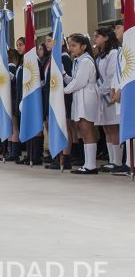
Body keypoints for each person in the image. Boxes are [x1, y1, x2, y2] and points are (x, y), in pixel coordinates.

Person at [62, 33, 99, 174]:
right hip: (80, 98)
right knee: (83, 132)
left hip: (86, 98)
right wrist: (64, 75)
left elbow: (79, 82)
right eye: (69, 45)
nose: (71, 48)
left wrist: (63, 92)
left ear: (83, 46)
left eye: (73, 45)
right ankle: (87, 163)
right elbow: (74, 80)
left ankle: (91, 165)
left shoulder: (86, 61)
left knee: (87, 131)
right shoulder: (78, 60)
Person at [92, 27, 123, 172]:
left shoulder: (114, 53)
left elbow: (111, 76)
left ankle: (117, 161)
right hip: (101, 96)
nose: (95, 39)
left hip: (109, 95)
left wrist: (99, 91)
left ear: (106, 38)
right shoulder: (100, 55)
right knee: (106, 129)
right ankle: (111, 160)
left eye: (97, 36)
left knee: (113, 128)